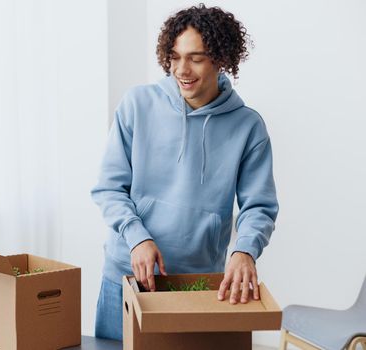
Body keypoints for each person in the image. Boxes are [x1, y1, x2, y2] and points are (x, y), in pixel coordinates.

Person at [91, 3, 279, 341]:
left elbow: (259, 206)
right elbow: (109, 188)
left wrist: (245, 250)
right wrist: (137, 237)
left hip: (198, 283)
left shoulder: (248, 126)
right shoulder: (137, 104)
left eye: (196, 58)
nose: (182, 69)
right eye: (175, 57)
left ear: (221, 58)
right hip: (128, 275)